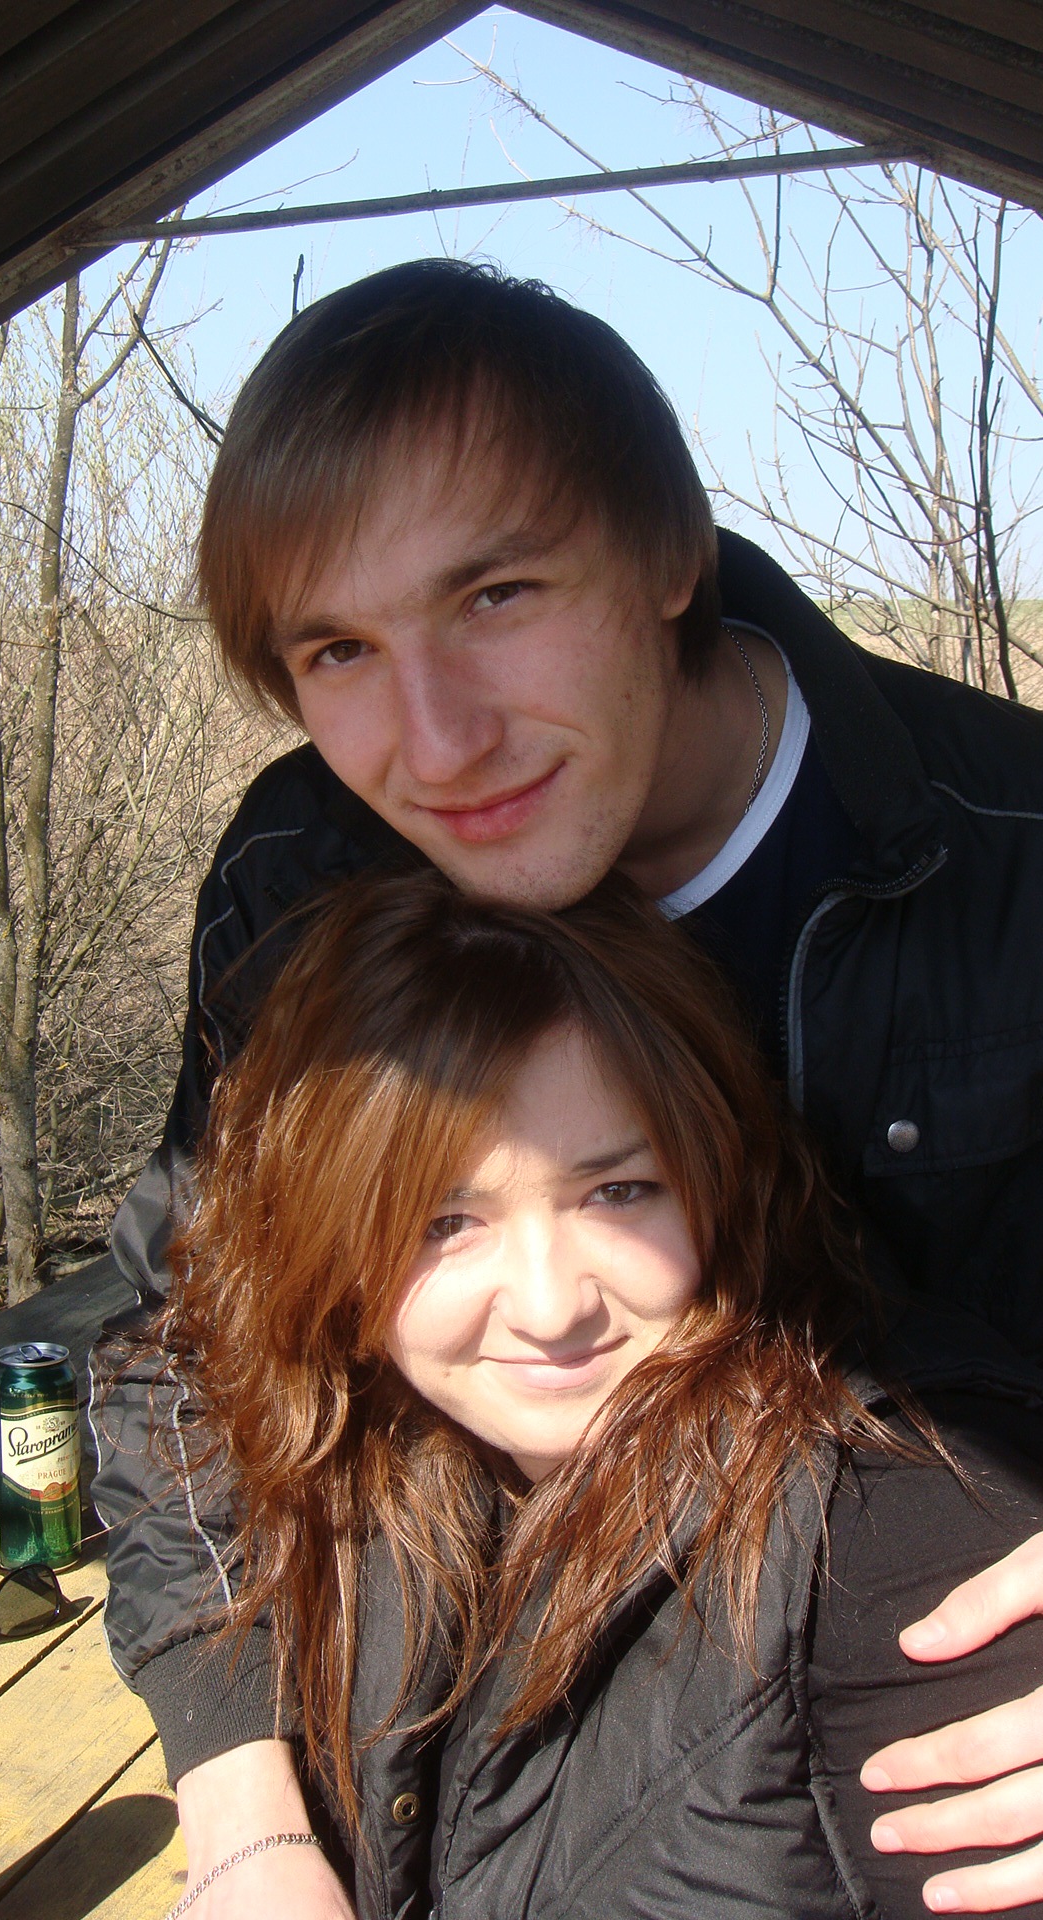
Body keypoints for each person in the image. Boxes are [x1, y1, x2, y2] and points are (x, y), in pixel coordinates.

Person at [91, 258, 1043, 1917]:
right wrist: (246, 1818)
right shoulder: (305, 870)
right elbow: (189, 1340)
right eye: (340, 646)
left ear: (671, 556)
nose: (437, 743)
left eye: (497, 595)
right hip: (459, 1775)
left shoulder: (1011, 855)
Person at [142, 869, 1043, 1920]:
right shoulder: (384, 1455)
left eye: (619, 1191)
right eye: (445, 1223)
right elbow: (161, 1397)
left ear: (717, 1181)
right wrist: (249, 1832)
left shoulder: (891, 1530)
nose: (551, 1306)